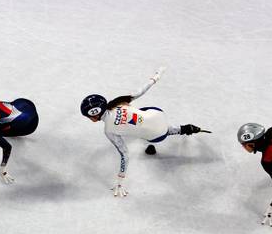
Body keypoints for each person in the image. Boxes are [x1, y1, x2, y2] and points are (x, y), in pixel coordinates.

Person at [80, 67, 206, 197]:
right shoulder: (118, 102)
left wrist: (120, 182)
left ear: (94, 116)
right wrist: (155, 77)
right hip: (157, 113)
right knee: (140, 115)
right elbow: (140, 91)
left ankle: (181, 129)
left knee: (152, 132)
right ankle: (184, 129)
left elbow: (125, 155)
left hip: (158, 136)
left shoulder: (109, 131)